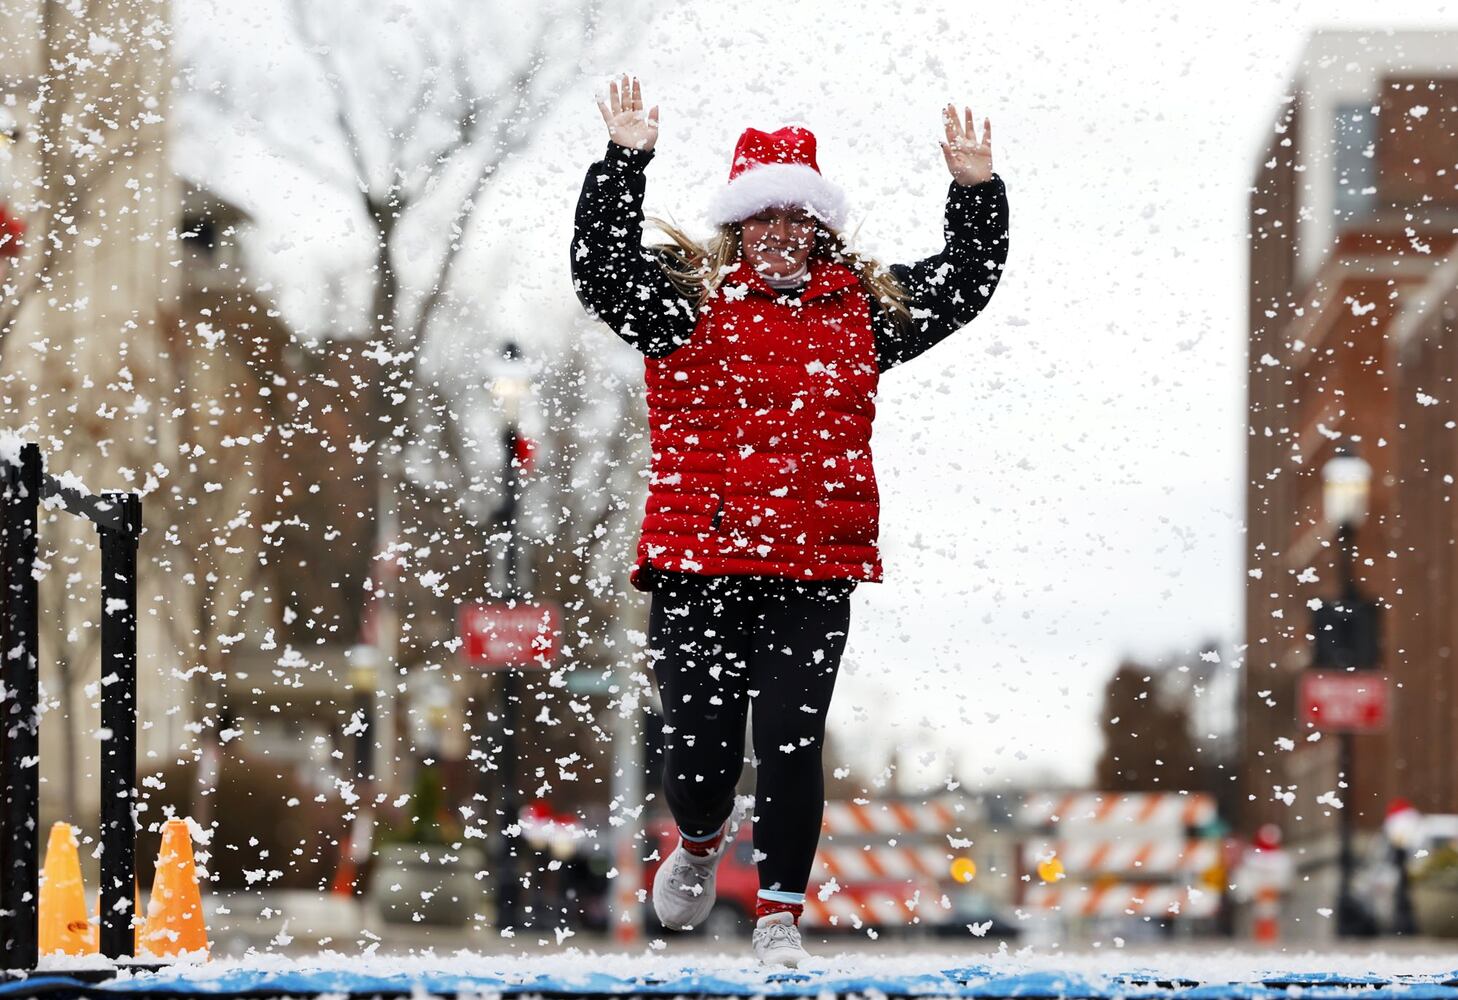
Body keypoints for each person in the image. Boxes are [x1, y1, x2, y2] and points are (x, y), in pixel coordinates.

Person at [570, 75, 1010, 967]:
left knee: (791, 740)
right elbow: (600, 270)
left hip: (812, 568)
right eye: (763, 219)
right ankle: (697, 840)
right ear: (739, 228)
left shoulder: (864, 312)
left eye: (795, 220)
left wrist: (976, 195)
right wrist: (623, 163)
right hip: (698, 562)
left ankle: (777, 915)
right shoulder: (681, 304)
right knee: (698, 748)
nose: (779, 235)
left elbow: (966, 283)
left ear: (819, 228)